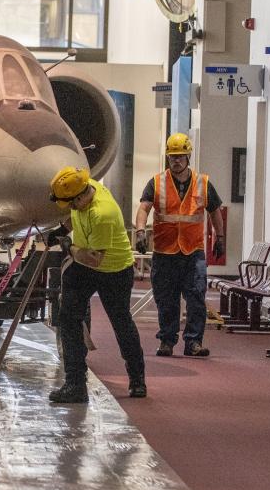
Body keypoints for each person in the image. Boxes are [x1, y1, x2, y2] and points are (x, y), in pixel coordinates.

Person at [47, 166, 146, 403]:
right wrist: (62, 229)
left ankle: (138, 379)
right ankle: (75, 384)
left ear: (81, 197)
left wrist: (67, 246)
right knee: (69, 319)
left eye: (71, 203)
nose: (69, 207)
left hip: (113, 270)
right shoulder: (84, 185)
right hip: (83, 266)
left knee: (121, 322)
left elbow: (94, 258)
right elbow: (74, 215)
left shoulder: (103, 214)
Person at [134, 132, 224, 357]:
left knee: (196, 298)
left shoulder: (203, 183)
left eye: (181, 156)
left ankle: (193, 342)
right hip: (165, 252)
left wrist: (220, 238)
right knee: (166, 300)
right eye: (172, 156)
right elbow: (144, 207)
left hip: (193, 252)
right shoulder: (156, 182)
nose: (176, 160)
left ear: (188, 157)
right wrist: (140, 231)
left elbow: (215, 212)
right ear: (167, 157)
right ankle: (166, 340)